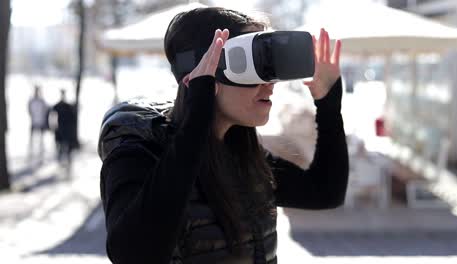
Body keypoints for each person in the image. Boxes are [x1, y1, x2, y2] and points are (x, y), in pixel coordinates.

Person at [98, 7, 348, 264]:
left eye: (270, 64)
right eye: (252, 66)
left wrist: (329, 104)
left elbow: (325, 192)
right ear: (198, 76)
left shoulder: (242, 154)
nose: (269, 83)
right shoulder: (138, 152)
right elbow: (133, 254)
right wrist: (197, 118)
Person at [50, 89, 76, 174]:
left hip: (66, 131)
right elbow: (52, 117)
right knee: (60, 148)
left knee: (67, 149)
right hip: (60, 131)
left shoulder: (68, 106)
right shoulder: (57, 106)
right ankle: (61, 164)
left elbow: (72, 120)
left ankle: (67, 164)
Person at [28, 85, 49, 165]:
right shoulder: (31, 100)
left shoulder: (42, 101)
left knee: (41, 140)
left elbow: (46, 110)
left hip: (41, 122)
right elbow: (29, 110)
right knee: (32, 140)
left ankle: (41, 156)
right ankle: (31, 155)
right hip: (33, 122)